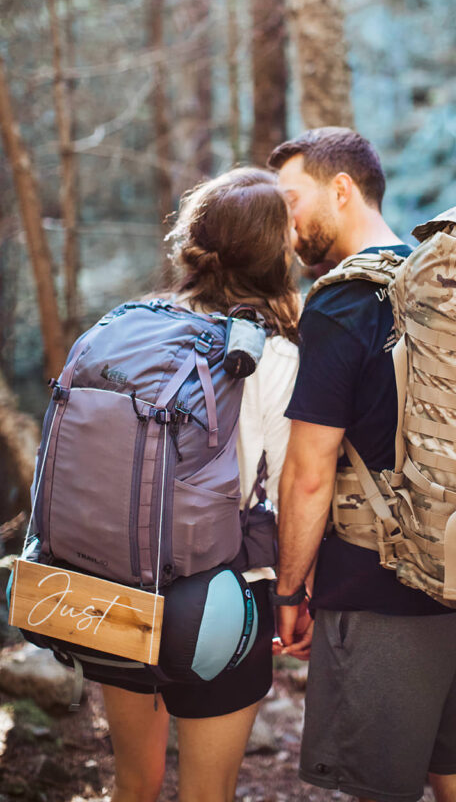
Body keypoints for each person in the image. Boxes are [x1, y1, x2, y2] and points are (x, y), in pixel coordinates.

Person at [269, 128, 456, 802]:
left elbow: (309, 472)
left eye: (291, 201)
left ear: (341, 190)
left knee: (376, 785)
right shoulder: (436, 287)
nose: (285, 225)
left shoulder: (342, 303)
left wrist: (288, 592)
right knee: (453, 768)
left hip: (377, 580)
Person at [98, 168, 299, 802]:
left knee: (135, 782)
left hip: (114, 581)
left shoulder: (128, 327)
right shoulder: (276, 352)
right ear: (274, 252)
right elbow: (290, 487)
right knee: (205, 794)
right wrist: (294, 592)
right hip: (219, 595)